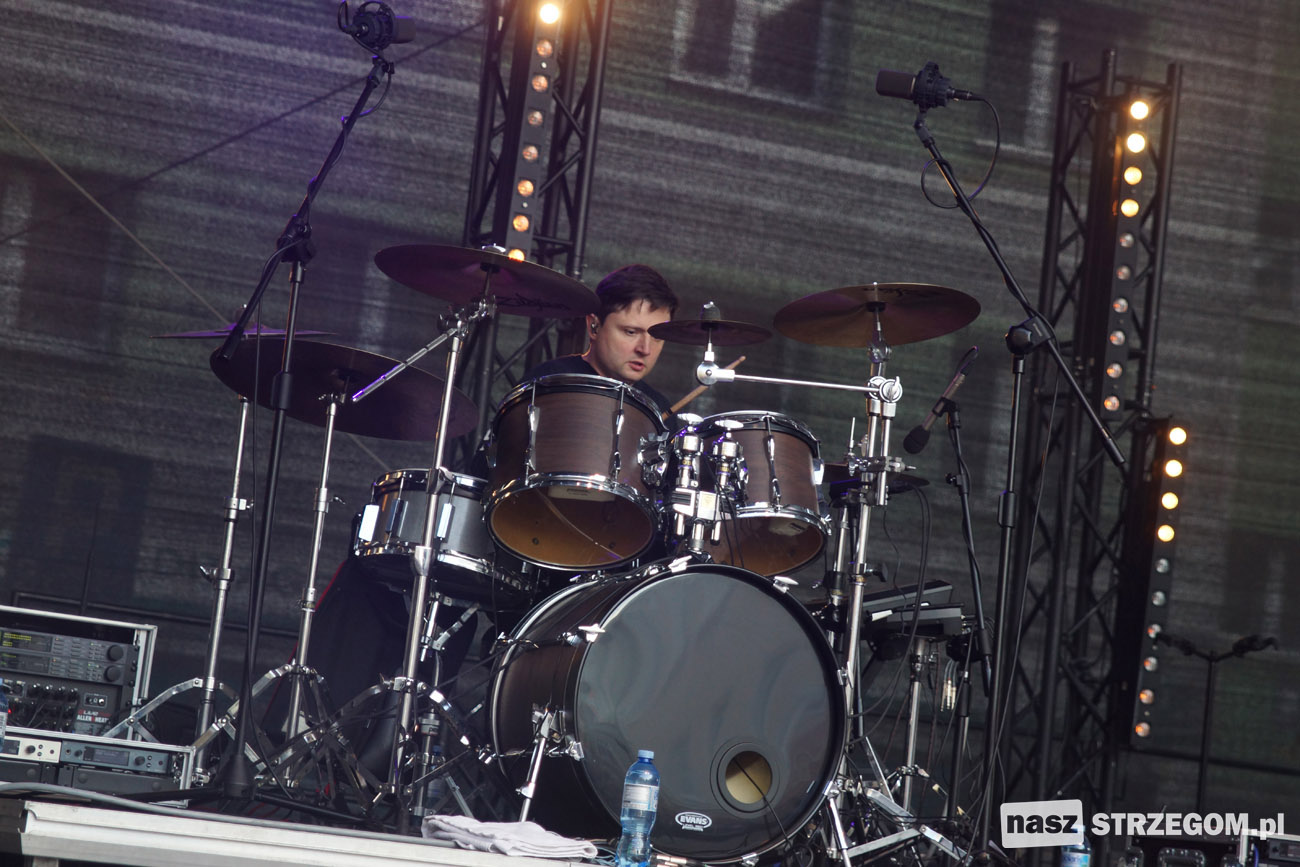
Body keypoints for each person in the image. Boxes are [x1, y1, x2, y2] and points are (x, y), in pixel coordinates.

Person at [522, 263, 679, 412]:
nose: (645, 349)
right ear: (594, 326)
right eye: (631, 332)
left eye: (656, 336)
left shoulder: (659, 408)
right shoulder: (547, 383)